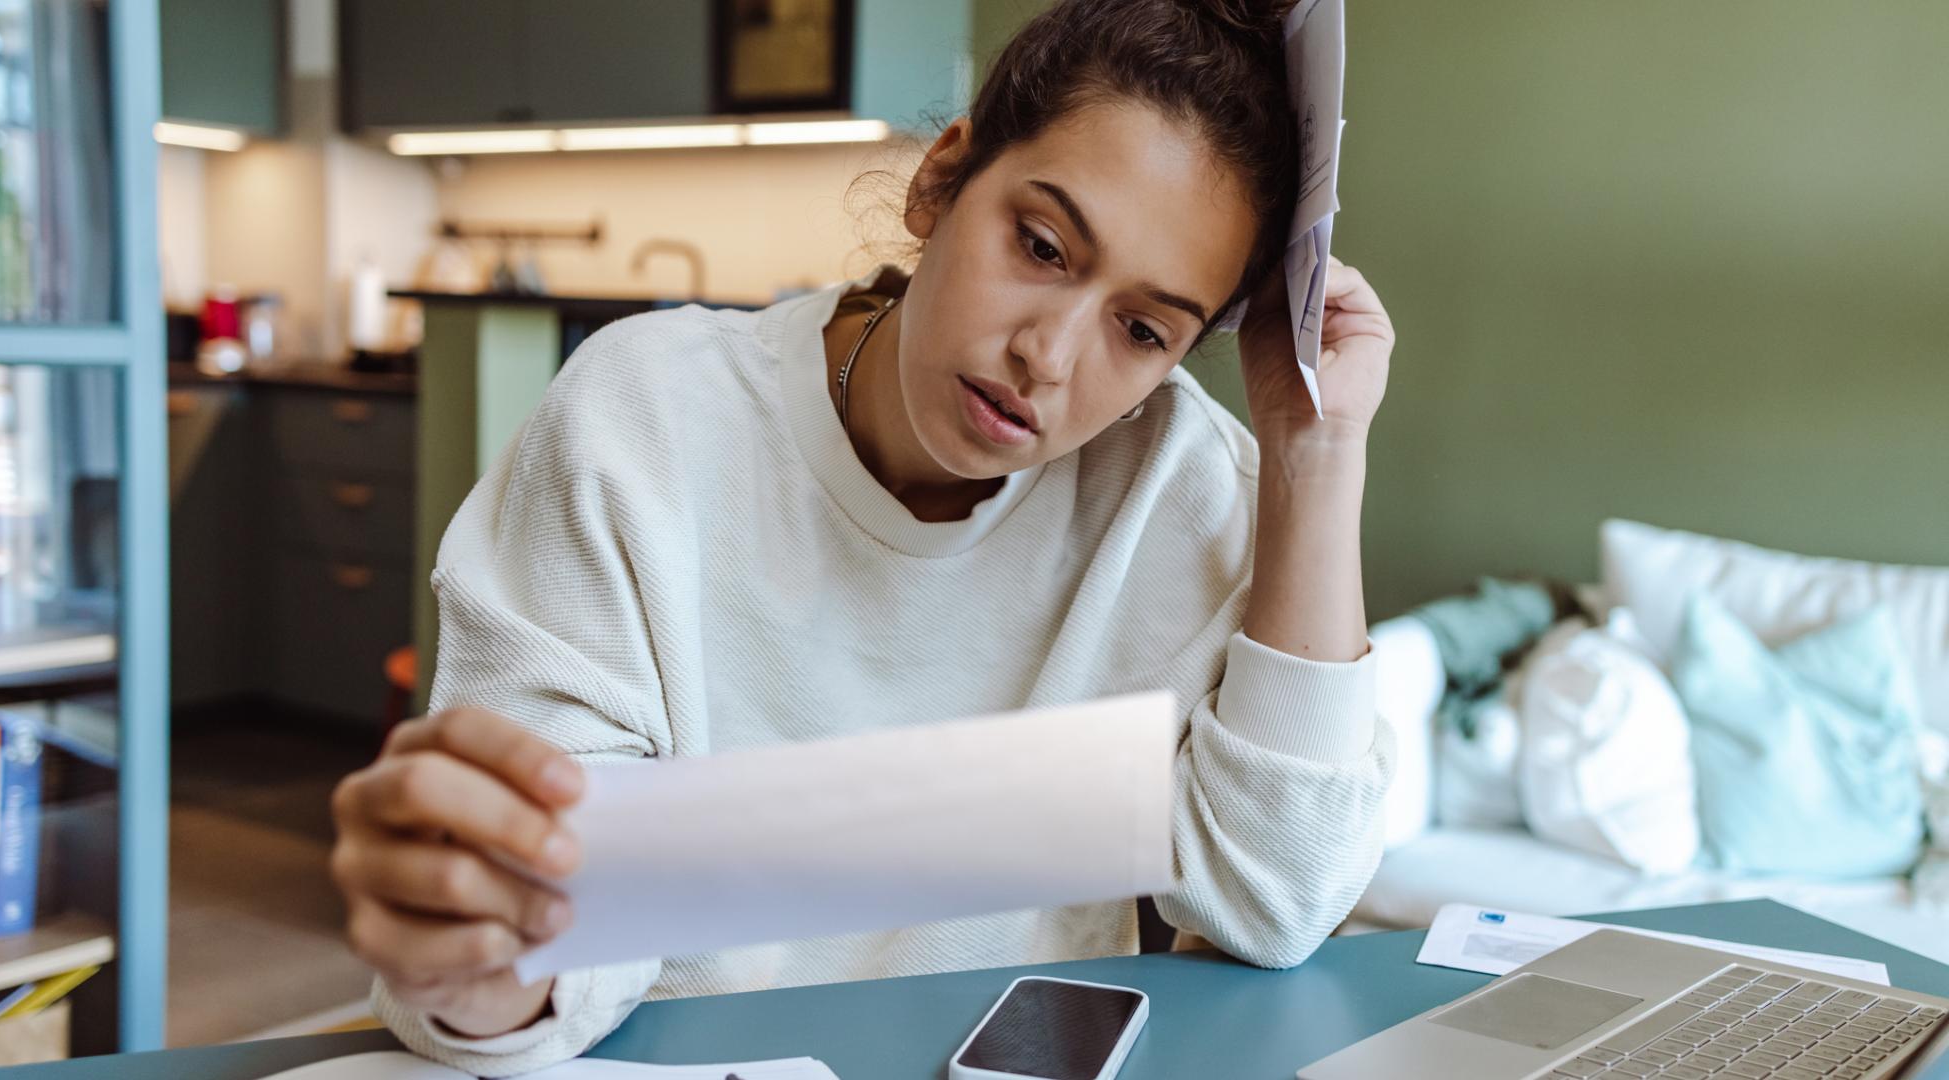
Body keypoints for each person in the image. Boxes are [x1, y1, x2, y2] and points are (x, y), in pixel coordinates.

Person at [329, 0, 1398, 1072]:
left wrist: (1315, 453)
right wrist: (487, 959)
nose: (1049, 355)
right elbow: (546, 912)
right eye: (1040, 246)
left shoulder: (1177, 488)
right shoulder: (641, 420)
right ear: (942, 179)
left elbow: (1277, 896)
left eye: (1142, 330)